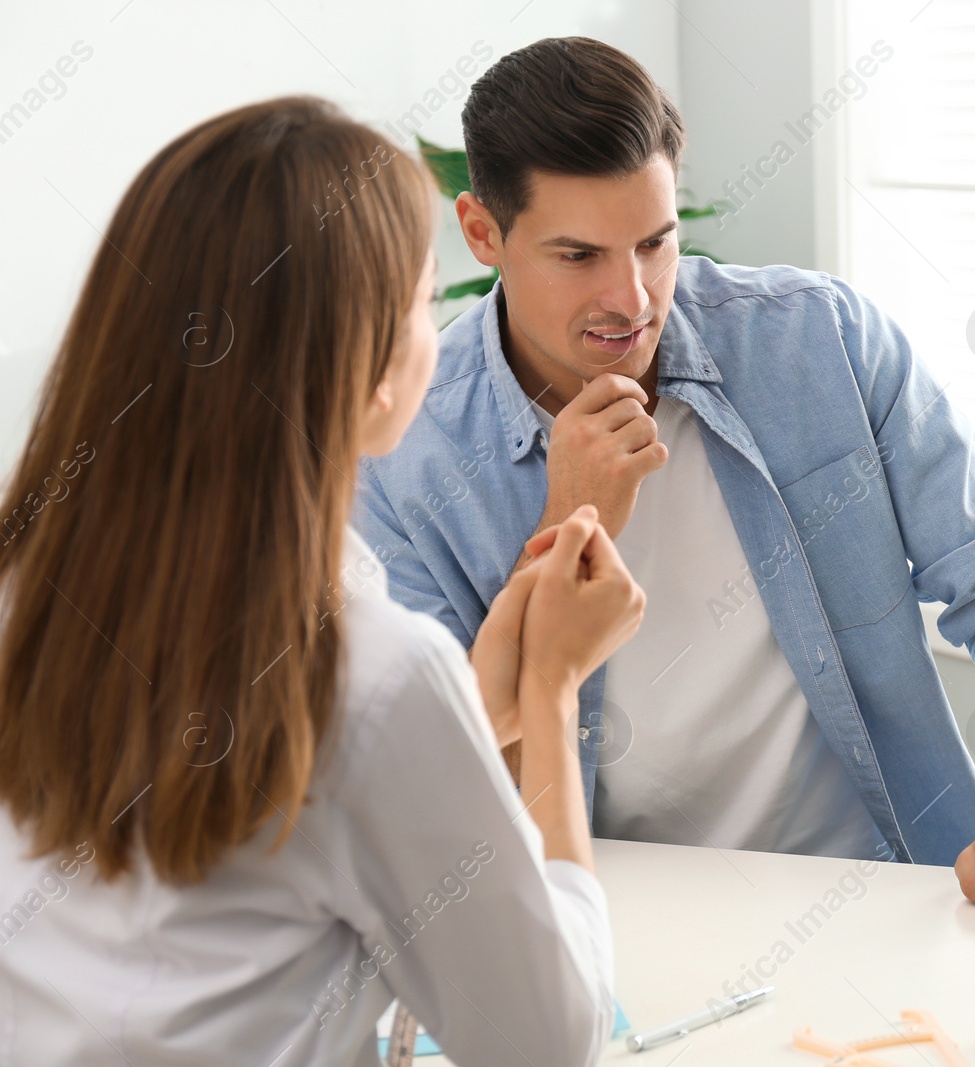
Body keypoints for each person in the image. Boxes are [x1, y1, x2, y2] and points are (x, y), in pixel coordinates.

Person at [356, 36, 975, 925]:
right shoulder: (409, 454)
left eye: (654, 242)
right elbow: (449, 787)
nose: (633, 299)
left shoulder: (821, 341)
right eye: (578, 256)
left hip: (887, 893)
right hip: (606, 916)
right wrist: (572, 522)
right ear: (483, 232)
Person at [0, 96, 641, 1066]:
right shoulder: (369, 668)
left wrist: (472, 708)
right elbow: (547, 1043)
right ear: (372, 367)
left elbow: (257, 832)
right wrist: (552, 690)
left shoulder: (32, 593)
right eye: (427, 302)